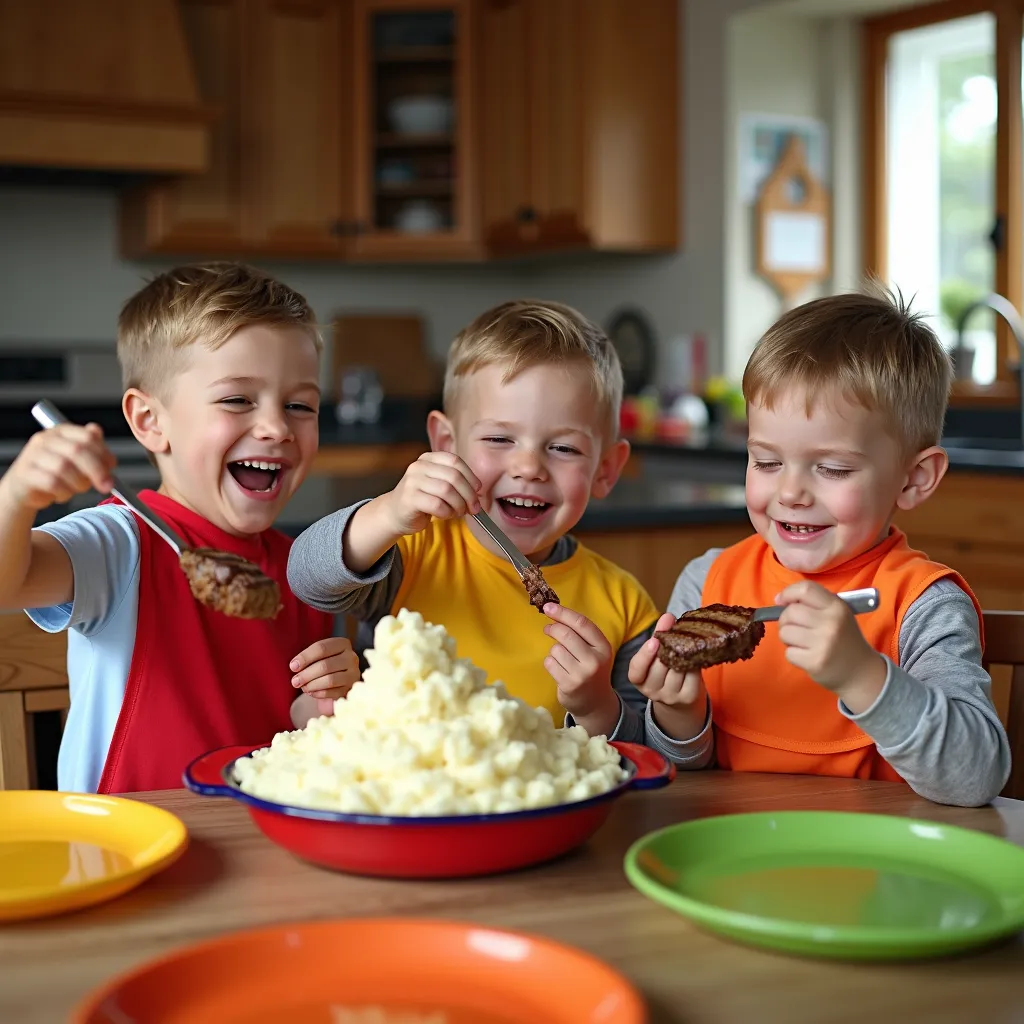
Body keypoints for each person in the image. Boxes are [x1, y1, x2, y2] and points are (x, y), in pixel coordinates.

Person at [627, 288, 1011, 806]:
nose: (789, 493)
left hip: (881, 868)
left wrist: (863, 675)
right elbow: (679, 779)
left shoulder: (922, 605)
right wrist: (678, 716)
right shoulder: (707, 582)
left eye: (832, 469)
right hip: (737, 866)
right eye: (766, 462)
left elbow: (976, 777)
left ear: (914, 479)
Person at [0, 263, 357, 793]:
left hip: (264, 848)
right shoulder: (118, 545)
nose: (277, 427)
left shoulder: (308, 568)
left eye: (299, 405)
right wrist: (17, 496)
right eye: (237, 399)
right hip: (123, 850)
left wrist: (324, 707)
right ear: (150, 422)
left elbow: (302, 737)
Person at [287, 300, 696, 762]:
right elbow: (307, 577)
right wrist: (390, 512)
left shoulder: (625, 605)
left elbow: (644, 755)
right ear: (446, 444)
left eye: (562, 448)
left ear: (606, 469)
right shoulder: (409, 554)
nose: (528, 467)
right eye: (500, 439)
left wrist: (596, 707)